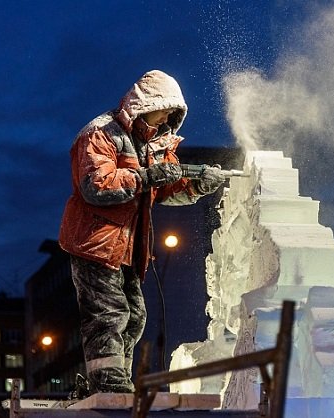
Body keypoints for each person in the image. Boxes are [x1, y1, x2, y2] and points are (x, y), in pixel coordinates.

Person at [58, 70, 224, 393]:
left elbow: (164, 188)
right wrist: (146, 177)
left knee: (134, 315)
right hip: (95, 244)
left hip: (127, 251)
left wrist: (196, 187)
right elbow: (96, 185)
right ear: (149, 103)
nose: (166, 120)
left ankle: (115, 378)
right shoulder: (101, 134)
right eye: (165, 111)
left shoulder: (151, 145)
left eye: (172, 116)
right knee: (108, 313)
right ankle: (106, 380)